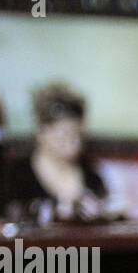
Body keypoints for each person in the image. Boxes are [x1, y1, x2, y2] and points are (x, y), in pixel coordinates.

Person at [8, 82, 108, 221]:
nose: (73, 141)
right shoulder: (16, 177)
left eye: (77, 133)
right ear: (41, 131)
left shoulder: (93, 177)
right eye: (63, 133)